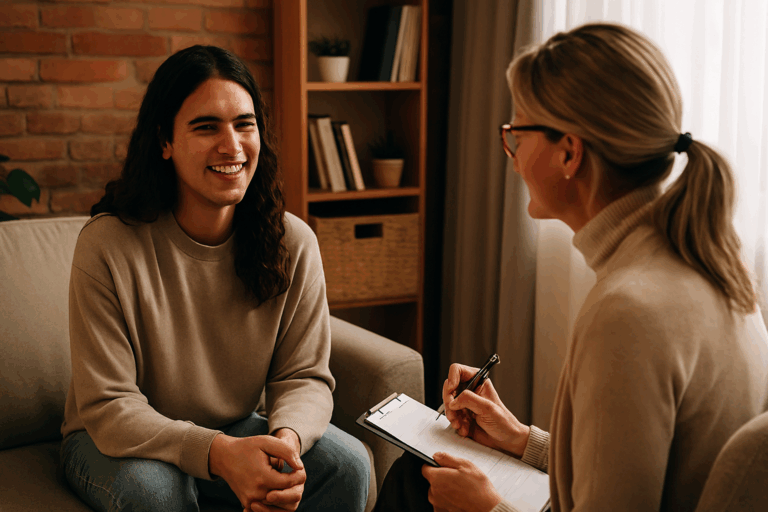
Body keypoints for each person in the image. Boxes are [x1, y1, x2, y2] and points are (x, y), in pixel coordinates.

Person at [374, 22, 768, 512]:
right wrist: (520, 438)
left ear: (569, 151)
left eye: (516, 132)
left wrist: (486, 510)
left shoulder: (629, 312)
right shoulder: (710, 260)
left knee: (413, 482)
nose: (512, 155)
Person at [60, 45, 370, 512]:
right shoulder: (107, 244)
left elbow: (303, 376)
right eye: (207, 127)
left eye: (244, 124)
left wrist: (285, 444)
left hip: (233, 429)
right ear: (164, 141)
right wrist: (219, 454)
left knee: (349, 465)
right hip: (109, 439)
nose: (232, 146)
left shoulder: (293, 242)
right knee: (160, 491)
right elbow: (110, 406)